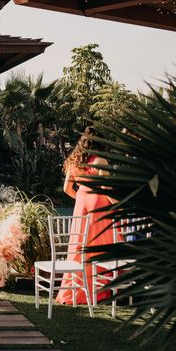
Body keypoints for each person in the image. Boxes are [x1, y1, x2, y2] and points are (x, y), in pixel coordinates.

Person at [56, 126, 114, 305]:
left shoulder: (74, 161)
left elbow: (67, 188)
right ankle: (99, 290)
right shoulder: (100, 161)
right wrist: (119, 205)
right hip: (99, 206)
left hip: (81, 206)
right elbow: (106, 189)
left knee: (79, 248)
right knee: (99, 246)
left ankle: (73, 292)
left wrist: (82, 198)